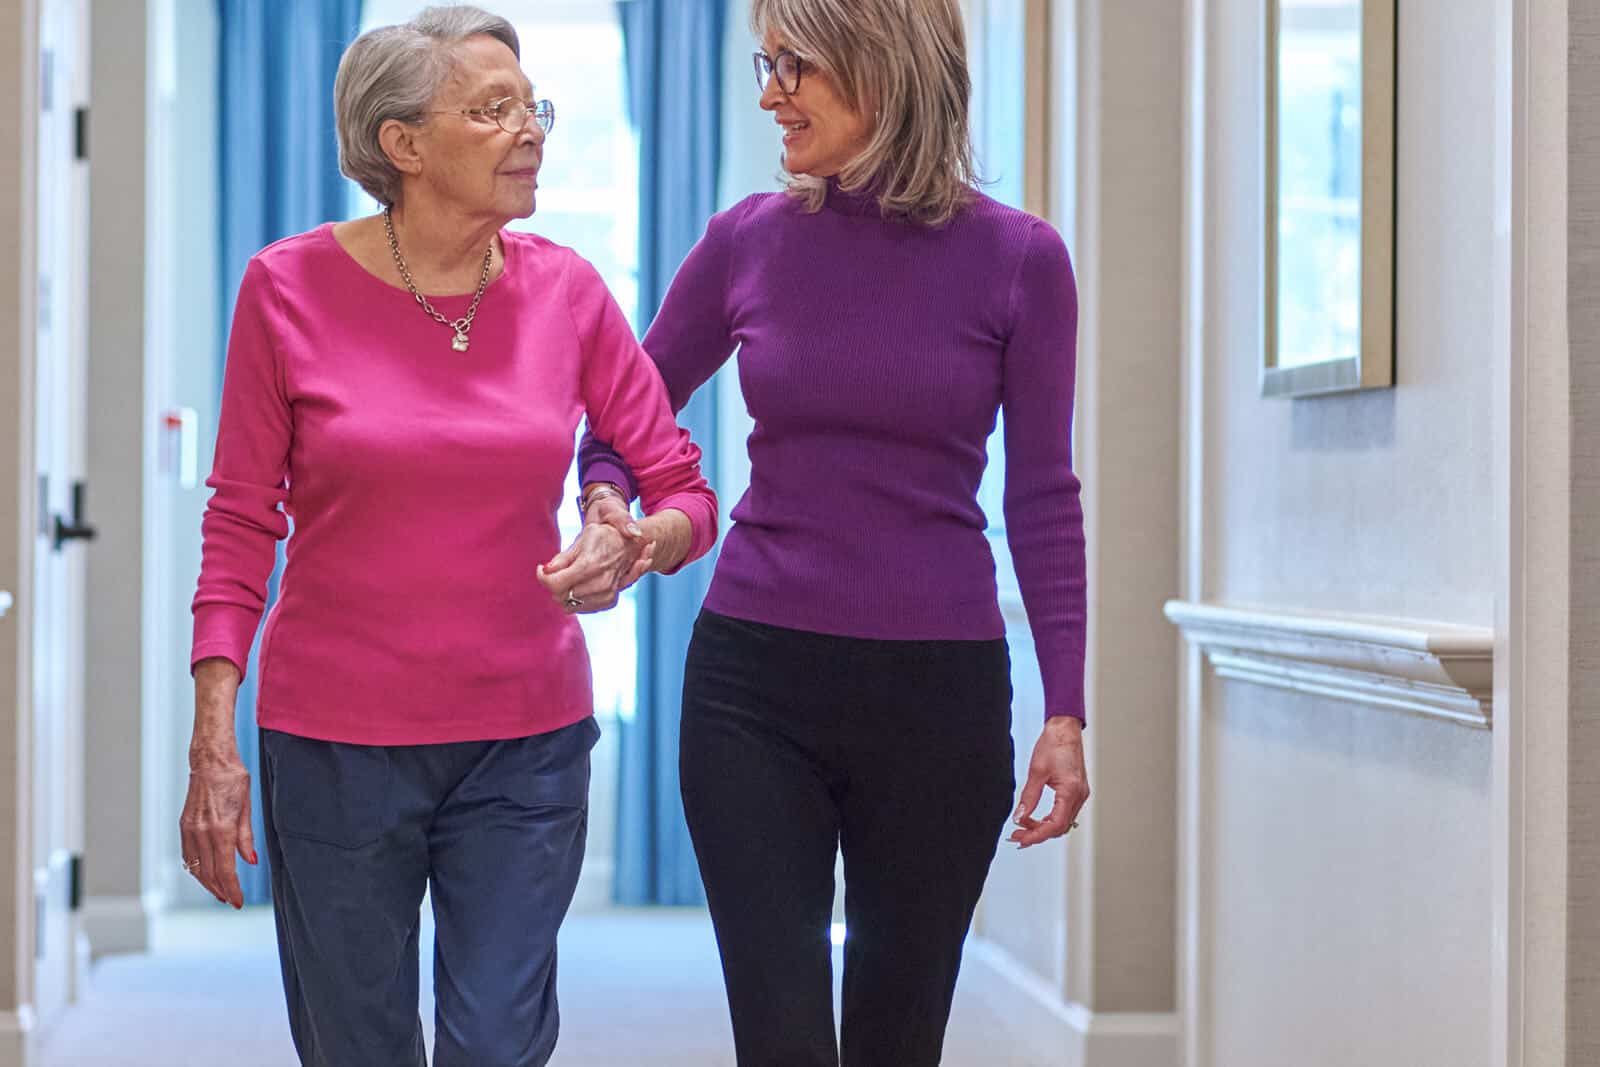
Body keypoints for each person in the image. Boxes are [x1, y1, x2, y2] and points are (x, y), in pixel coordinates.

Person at [178, 7, 717, 1066]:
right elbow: (241, 520)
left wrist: (635, 539)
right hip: (333, 740)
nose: (532, 131)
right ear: (403, 144)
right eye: (493, 108)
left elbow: (684, 490)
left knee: (499, 1042)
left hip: (524, 739)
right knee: (358, 1043)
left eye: (534, 107)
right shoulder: (284, 288)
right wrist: (213, 737)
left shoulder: (567, 288)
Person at [569, 0, 1091, 1062]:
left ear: (884, 65)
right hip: (752, 689)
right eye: (767, 63)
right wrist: (611, 501)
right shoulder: (746, 242)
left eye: (794, 64)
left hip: (938, 698)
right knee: (782, 1037)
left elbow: (1041, 494)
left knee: (898, 1039)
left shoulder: (1020, 259)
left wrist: (1066, 707)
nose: (771, 91)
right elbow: (620, 415)